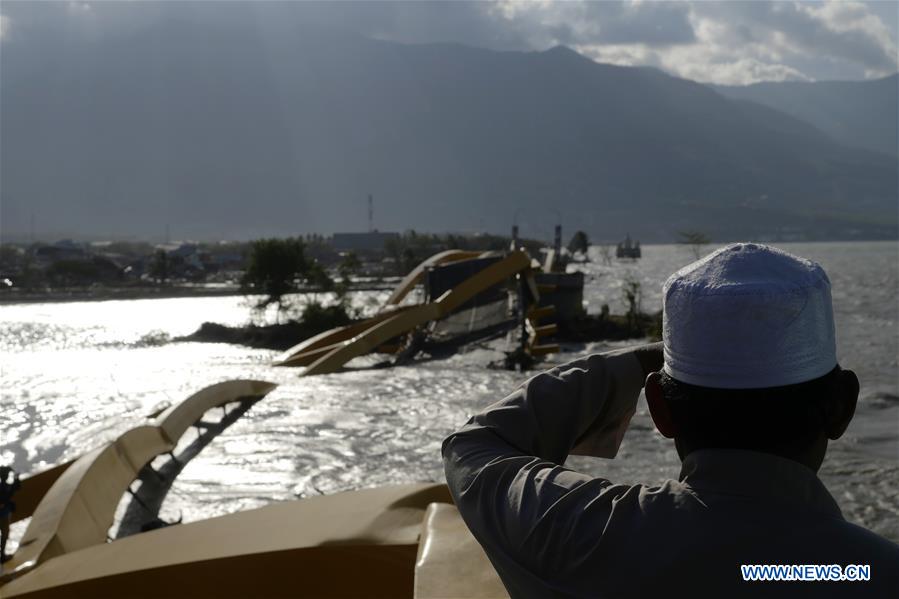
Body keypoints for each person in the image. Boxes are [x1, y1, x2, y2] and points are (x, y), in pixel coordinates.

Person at [443, 243, 899, 598]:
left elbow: (475, 446)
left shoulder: (581, 535)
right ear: (842, 407)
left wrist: (639, 363)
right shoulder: (868, 571)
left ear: (658, 408)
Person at [0, 466, 21, 564]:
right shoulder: (3, 487)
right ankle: (2, 556)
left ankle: (2, 555)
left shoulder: (4, 486)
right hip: (3, 515)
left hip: (4, 514)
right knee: (4, 534)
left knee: (5, 534)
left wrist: (16, 479)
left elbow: (15, 488)